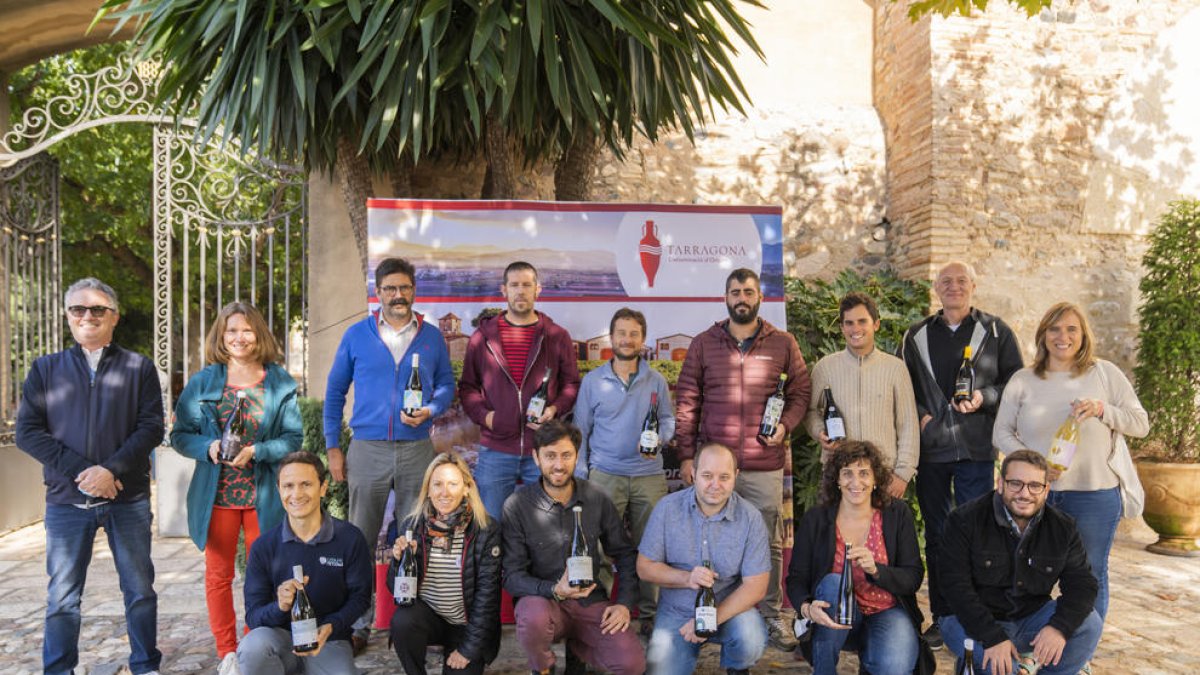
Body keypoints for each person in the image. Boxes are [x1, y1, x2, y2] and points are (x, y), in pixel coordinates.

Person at [16, 277, 164, 675]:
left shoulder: (139, 367)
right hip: (67, 500)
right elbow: (27, 432)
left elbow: (151, 427)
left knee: (139, 591)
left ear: (114, 317)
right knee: (62, 597)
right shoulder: (45, 369)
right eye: (78, 309)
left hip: (127, 498)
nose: (87, 316)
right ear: (67, 316)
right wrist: (85, 472)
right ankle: (59, 669)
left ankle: (146, 665)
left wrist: (111, 470)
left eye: (98, 309)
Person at [674, 267, 811, 651]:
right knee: (711, 541)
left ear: (760, 298)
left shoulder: (783, 343)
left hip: (763, 464)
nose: (742, 298)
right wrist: (687, 455)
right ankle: (711, 612)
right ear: (726, 298)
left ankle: (768, 614)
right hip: (715, 470)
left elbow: (801, 391)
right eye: (735, 292)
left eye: (748, 291)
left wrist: (785, 426)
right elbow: (687, 401)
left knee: (766, 541)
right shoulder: (704, 343)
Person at [323, 256, 455, 650]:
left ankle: (414, 621)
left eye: (405, 288)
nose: (398, 295)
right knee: (360, 538)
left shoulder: (431, 337)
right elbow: (333, 394)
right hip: (367, 449)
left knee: (418, 535)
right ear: (377, 293)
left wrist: (431, 409)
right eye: (390, 289)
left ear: (414, 290)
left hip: (417, 450)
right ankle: (359, 624)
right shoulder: (356, 336)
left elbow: (446, 385)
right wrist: (333, 447)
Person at [171, 302, 304, 675]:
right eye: (231, 331)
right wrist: (208, 447)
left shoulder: (279, 382)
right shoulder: (203, 382)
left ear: (258, 333)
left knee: (266, 576)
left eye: (246, 330)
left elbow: (293, 437)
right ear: (221, 336)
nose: (239, 337)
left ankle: (253, 643)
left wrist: (258, 451)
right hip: (218, 499)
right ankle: (227, 650)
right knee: (218, 576)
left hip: (264, 498)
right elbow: (179, 436)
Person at [993, 302, 1148, 620]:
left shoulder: (1104, 374)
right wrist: (1033, 466)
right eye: (1054, 328)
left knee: (1089, 576)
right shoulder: (1024, 380)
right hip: (1035, 496)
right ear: (1043, 335)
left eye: (1071, 329)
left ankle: (1080, 654)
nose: (1062, 336)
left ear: (1083, 335)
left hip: (1094, 495)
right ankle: (1031, 645)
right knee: (1029, 573)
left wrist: (1104, 409)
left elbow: (1140, 423)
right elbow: (1001, 433)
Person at [899, 260, 1023, 649]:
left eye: (961, 281)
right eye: (946, 281)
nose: (953, 287)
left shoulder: (997, 331)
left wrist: (986, 397)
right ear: (936, 288)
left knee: (977, 536)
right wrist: (919, 415)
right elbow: (904, 387)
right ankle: (943, 616)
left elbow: (1017, 385)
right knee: (937, 537)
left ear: (974, 285)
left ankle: (979, 616)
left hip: (976, 451)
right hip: (932, 451)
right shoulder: (915, 335)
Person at [938, 449, 1102, 675]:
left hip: (1028, 618)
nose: (1025, 493)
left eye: (1035, 485)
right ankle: (972, 664)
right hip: (968, 620)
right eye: (1016, 483)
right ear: (1000, 484)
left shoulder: (1062, 527)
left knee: (1089, 625)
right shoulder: (965, 520)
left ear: (1046, 490)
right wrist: (992, 638)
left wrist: (1059, 628)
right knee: (1004, 668)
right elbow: (955, 588)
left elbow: (1083, 585)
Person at [501, 420, 645, 675]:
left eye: (566, 455)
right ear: (536, 457)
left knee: (631, 664)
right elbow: (511, 576)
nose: (559, 464)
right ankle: (544, 668)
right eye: (550, 456)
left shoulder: (597, 497)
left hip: (590, 603)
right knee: (533, 617)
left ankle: (580, 646)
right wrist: (554, 589)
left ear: (577, 456)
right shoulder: (517, 505)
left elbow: (624, 553)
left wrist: (623, 603)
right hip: (544, 603)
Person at [573, 307, 675, 632]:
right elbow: (580, 431)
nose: (627, 339)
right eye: (621, 333)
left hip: (649, 477)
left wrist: (660, 438)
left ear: (642, 339)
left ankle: (649, 617)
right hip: (605, 474)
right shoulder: (592, 381)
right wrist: (581, 475)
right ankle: (597, 613)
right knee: (599, 547)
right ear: (612, 337)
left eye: (633, 334)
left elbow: (669, 420)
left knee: (652, 549)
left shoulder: (656, 380)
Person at [785, 441, 923, 675]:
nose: (855, 482)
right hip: (833, 619)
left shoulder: (896, 514)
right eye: (847, 473)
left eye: (864, 473)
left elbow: (913, 577)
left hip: (886, 611)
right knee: (832, 583)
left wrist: (877, 570)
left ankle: (872, 660)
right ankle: (824, 670)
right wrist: (807, 608)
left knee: (895, 668)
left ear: (876, 479)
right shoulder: (816, 519)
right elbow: (796, 578)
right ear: (837, 480)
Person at [460, 261, 581, 518]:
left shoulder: (557, 336)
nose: (521, 291)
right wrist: (487, 417)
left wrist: (554, 409)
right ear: (504, 290)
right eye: (514, 285)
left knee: (546, 526)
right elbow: (468, 388)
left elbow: (571, 384)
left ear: (538, 289)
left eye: (527, 285)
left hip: (543, 449)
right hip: (495, 451)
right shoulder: (482, 339)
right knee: (491, 526)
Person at [637, 442, 770, 675]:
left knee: (750, 638)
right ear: (693, 473)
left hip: (728, 610)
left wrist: (709, 621)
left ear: (736, 476)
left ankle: (737, 668)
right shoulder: (667, 508)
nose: (715, 485)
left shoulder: (750, 517)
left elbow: (756, 587)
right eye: (707, 475)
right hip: (678, 611)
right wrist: (686, 578)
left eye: (724, 477)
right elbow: (645, 567)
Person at [238, 451, 373, 675]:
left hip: (329, 641)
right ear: (279, 490)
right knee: (253, 648)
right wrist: (280, 606)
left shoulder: (349, 538)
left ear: (322, 488)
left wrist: (331, 626)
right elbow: (253, 617)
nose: (296, 494)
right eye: (288, 485)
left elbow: (360, 598)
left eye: (306, 484)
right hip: (280, 642)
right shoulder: (264, 546)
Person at [387, 453, 502, 675]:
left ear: (467, 488)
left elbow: (488, 599)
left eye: (453, 484)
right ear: (428, 490)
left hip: (466, 626)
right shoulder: (412, 525)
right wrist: (398, 562)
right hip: (428, 619)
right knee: (403, 621)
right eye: (437, 484)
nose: (444, 492)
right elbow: (397, 591)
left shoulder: (486, 529)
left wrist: (468, 650)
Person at [804, 292, 919, 497]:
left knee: (884, 530)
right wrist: (819, 431)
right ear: (841, 328)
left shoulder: (896, 368)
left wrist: (903, 474)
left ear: (876, 324)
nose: (855, 329)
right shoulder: (825, 367)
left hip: (884, 475)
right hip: (838, 474)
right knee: (837, 530)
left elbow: (908, 423)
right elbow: (810, 411)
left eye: (862, 321)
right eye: (848, 323)